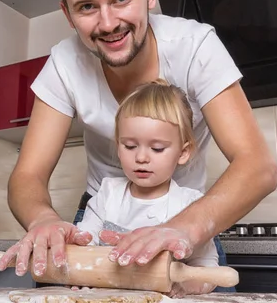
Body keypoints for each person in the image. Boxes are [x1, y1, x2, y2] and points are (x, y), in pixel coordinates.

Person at [0, 0, 277, 292]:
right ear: (67, 14)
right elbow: (27, 176)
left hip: (185, 216)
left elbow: (257, 167)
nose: (108, 23)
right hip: (101, 215)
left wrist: (183, 228)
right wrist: (42, 219)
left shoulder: (195, 46)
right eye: (87, 7)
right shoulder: (63, 64)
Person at [76, 79, 219, 298]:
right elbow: (83, 251)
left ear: (183, 152)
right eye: (130, 146)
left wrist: (188, 286)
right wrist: (80, 279)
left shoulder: (190, 205)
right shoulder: (107, 195)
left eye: (157, 148)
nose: (141, 157)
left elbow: (206, 266)